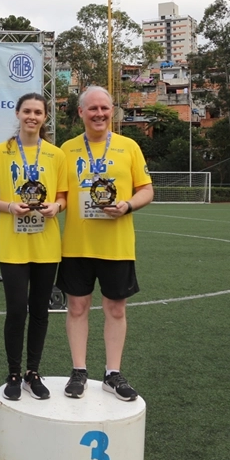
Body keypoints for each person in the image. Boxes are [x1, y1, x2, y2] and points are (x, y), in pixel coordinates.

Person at [57, 85, 153, 401]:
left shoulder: (129, 147)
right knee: (77, 307)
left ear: (112, 111)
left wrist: (126, 205)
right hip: (76, 245)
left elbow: (146, 190)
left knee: (115, 309)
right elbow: (61, 196)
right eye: (93, 108)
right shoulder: (66, 150)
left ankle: (113, 373)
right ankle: (79, 371)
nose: (99, 114)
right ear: (81, 112)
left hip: (117, 244)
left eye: (105, 108)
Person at [0, 93, 67, 401]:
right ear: (17, 113)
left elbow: (63, 197)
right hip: (13, 245)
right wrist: (8, 206)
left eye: (38, 112)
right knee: (17, 310)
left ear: (45, 117)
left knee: (41, 311)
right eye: (27, 111)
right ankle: (14, 373)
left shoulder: (56, 155)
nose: (32, 116)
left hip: (47, 245)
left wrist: (56, 207)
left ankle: (33, 372)